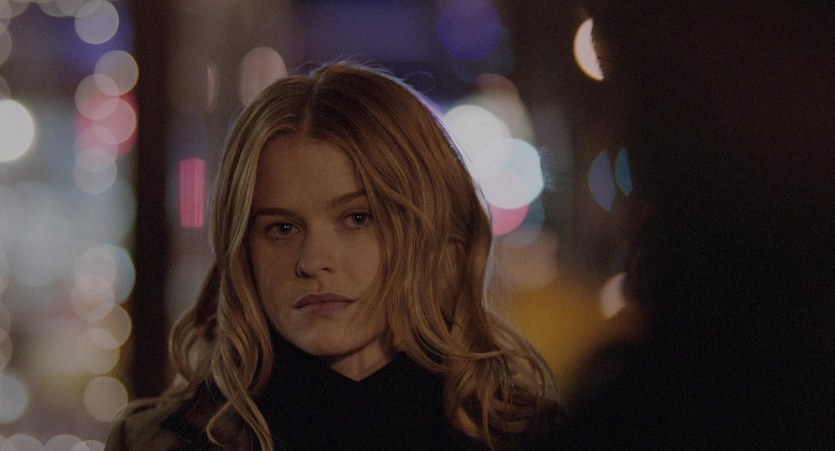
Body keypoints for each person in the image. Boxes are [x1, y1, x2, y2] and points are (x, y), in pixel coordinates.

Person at [106, 62, 562, 450]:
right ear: (241, 249)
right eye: (281, 228)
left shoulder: (533, 438)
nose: (312, 261)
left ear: (436, 230)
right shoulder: (155, 443)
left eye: (358, 218)